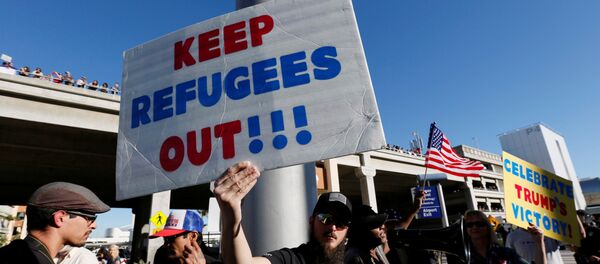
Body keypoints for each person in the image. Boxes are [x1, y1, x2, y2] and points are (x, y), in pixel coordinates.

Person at [213, 161, 354, 264]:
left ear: (347, 229)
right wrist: (231, 220)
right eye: (325, 218)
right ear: (312, 221)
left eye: (341, 222)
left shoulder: (354, 260)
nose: (332, 227)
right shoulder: (291, 258)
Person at [0, 182, 110, 264]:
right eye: (89, 218)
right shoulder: (35, 260)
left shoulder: (14, 254)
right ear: (60, 218)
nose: (94, 226)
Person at [465, 210, 544, 264]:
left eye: (479, 224)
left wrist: (540, 242)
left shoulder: (505, 253)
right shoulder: (462, 256)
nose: (474, 227)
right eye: (469, 225)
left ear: (487, 227)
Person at [150, 209, 215, 264]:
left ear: (193, 236)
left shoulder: (212, 262)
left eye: (171, 238)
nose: (166, 245)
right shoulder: (162, 255)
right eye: (165, 239)